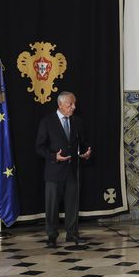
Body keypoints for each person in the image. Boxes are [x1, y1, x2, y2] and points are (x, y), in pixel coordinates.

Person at [35, 91, 91, 248]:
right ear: (60, 105)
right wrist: (53, 156)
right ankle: (51, 236)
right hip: (54, 171)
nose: (73, 107)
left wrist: (86, 153)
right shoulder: (47, 122)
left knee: (72, 205)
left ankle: (72, 234)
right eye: (69, 105)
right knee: (52, 206)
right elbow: (39, 147)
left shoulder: (77, 121)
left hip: (73, 170)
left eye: (74, 104)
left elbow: (83, 143)